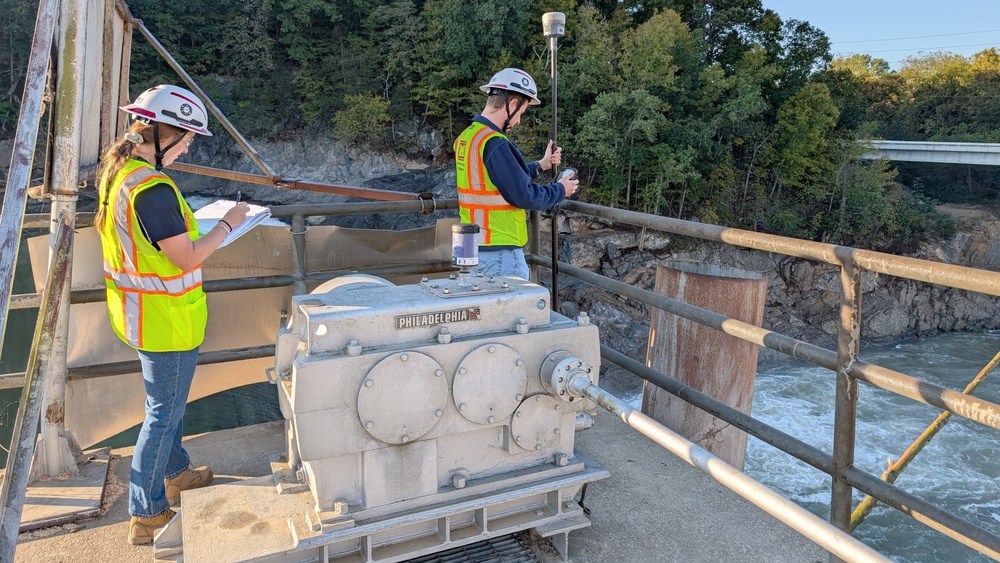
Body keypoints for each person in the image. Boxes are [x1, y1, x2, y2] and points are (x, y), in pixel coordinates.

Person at [94, 84, 249, 545]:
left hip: (140, 312)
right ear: (163, 135)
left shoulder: (120, 173)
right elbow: (186, 258)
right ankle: (146, 515)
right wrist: (229, 224)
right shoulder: (153, 189)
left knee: (169, 404)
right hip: (166, 319)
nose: (188, 148)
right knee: (162, 414)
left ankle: (176, 472)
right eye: (187, 139)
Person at [454, 67, 579, 279]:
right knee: (511, 312)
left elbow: (497, 179)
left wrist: (541, 164)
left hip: (472, 247)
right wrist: (560, 189)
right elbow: (523, 195)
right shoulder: (495, 143)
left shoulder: (468, 137)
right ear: (512, 104)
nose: (519, 120)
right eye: (521, 112)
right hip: (499, 252)